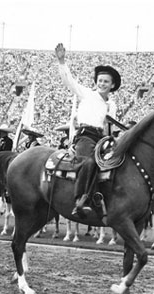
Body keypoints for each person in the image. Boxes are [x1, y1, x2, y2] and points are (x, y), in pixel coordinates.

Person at [55, 42, 121, 219]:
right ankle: (80, 200)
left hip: (102, 140)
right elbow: (69, 82)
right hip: (85, 136)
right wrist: (62, 62)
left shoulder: (112, 105)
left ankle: (101, 197)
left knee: (113, 165)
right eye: (100, 80)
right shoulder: (87, 94)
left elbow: (110, 129)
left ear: (112, 85)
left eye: (106, 81)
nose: (102, 83)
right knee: (89, 163)